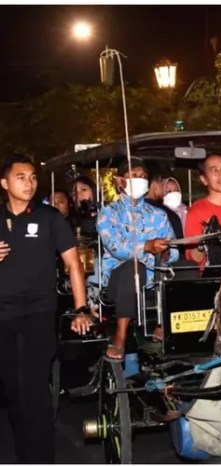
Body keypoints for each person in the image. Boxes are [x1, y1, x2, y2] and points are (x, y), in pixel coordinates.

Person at [0, 153, 88, 463]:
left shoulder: (49, 217)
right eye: (21, 177)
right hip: (3, 316)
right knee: (14, 393)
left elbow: (73, 265)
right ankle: (26, 453)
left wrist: (82, 308)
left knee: (35, 390)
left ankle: (40, 458)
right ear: (4, 183)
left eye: (33, 177)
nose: (29, 182)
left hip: (38, 313)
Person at [94, 158, 178, 361]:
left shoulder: (158, 215)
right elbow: (117, 248)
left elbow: (174, 249)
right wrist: (147, 246)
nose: (140, 180)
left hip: (154, 276)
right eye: (134, 176)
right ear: (120, 181)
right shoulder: (108, 213)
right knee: (133, 268)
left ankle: (165, 326)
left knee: (187, 267)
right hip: (120, 278)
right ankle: (120, 336)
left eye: (143, 177)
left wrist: (166, 253)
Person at [144, 165, 183, 239]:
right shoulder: (166, 215)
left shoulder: (128, 211)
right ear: (155, 186)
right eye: (161, 181)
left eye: (176, 190)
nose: (162, 186)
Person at [68, 175, 99, 239]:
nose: (79, 194)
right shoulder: (70, 221)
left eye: (84, 189)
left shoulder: (107, 214)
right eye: (75, 192)